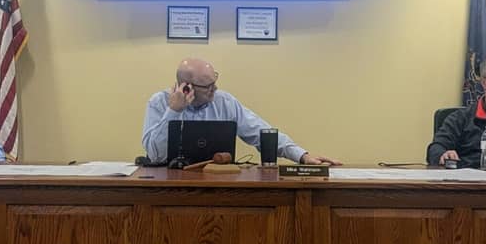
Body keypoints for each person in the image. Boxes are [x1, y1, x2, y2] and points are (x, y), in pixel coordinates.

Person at [141, 58, 342, 166]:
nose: (215, 89)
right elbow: (156, 155)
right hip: (170, 183)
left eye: (215, 82)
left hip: (217, 182)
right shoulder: (159, 103)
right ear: (186, 87)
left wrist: (302, 156)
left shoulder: (224, 101)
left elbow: (262, 132)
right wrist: (174, 111)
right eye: (208, 86)